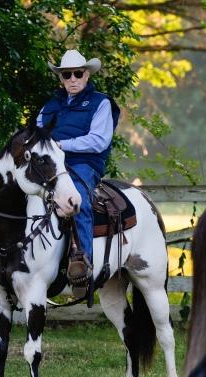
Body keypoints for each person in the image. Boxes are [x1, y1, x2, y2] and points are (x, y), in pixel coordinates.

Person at [40, 49, 120, 298]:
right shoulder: (50, 105)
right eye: (67, 75)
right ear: (61, 78)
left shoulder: (101, 103)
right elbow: (37, 134)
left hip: (83, 164)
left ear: (86, 75)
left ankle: (82, 264)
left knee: (79, 200)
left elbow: (98, 141)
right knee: (8, 193)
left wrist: (63, 145)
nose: (72, 79)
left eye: (77, 74)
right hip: (51, 165)